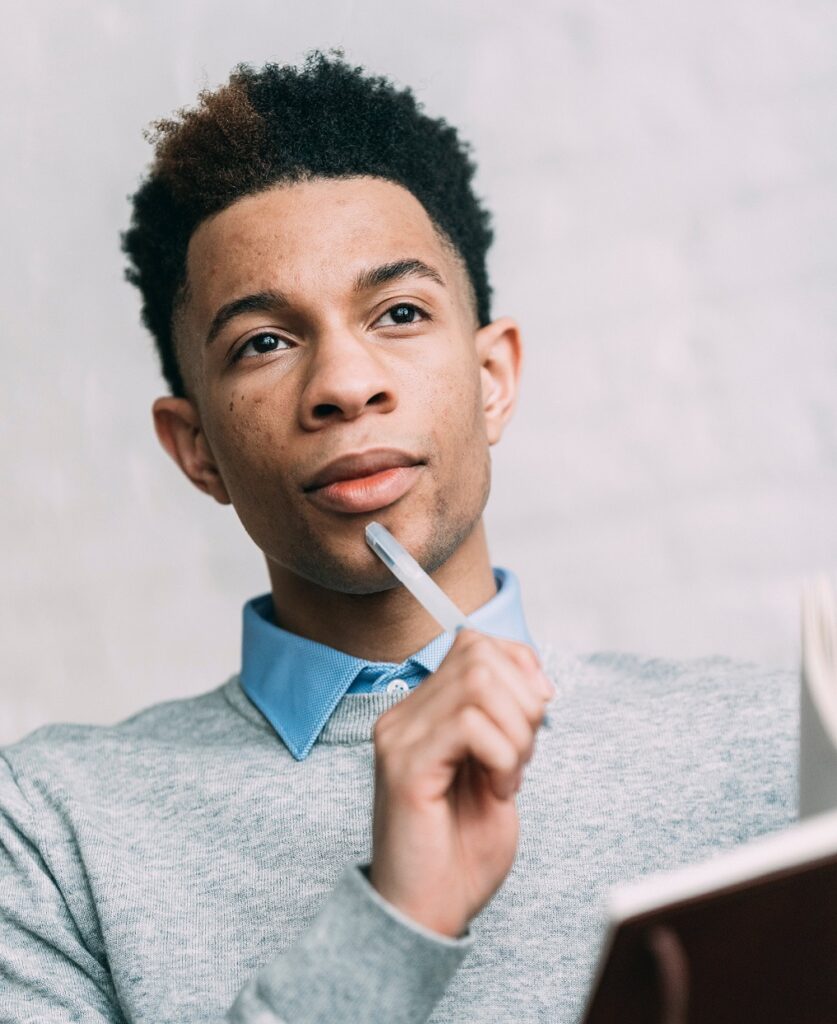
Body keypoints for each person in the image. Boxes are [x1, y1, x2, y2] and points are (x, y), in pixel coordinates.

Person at [0, 50, 798, 1024]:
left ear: (493, 377)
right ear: (195, 445)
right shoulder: (49, 830)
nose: (344, 381)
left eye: (401, 312)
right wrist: (393, 919)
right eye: (264, 341)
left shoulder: (774, 751)